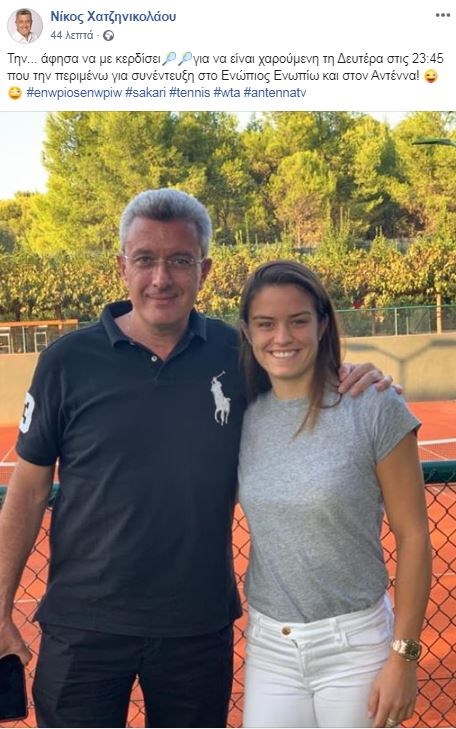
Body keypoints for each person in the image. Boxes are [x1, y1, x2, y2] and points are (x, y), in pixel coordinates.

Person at [0, 189, 394, 728]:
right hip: (84, 626)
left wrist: (355, 373)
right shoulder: (66, 361)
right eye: (145, 259)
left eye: (180, 261)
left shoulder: (239, 355)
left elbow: (301, 368)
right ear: (121, 266)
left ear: (204, 270)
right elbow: (27, 492)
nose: (161, 278)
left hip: (196, 629)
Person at [237, 260, 432, 729]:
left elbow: (414, 536)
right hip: (270, 647)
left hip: (356, 646)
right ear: (247, 331)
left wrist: (403, 657)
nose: (282, 337)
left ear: (322, 324)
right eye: (265, 324)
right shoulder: (242, 416)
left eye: (298, 320)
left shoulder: (374, 404)